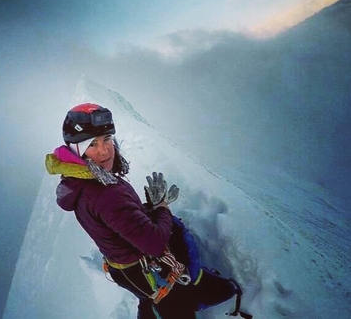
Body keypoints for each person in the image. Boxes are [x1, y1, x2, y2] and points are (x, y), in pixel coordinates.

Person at [45, 103, 249, 319]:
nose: (104, 150)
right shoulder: (104, 193)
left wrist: (147, 209)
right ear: (77, 150)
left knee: (153, 298)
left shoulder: (80, 180)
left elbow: (117, 221)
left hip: (127, 270)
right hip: (144, 271)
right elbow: (155, 243)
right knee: (175, 306)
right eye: (92, 144)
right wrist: (162, 208)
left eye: (107, 139)